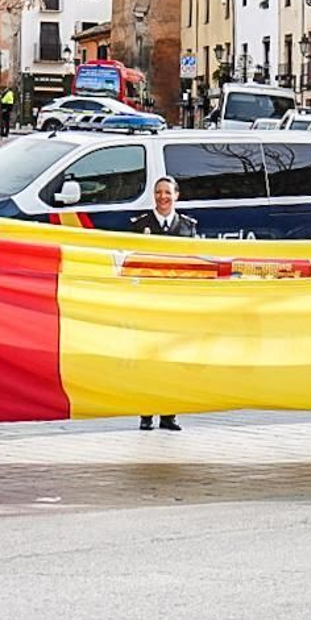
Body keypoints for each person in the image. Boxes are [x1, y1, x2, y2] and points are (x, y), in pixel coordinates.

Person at [127, 177, 198, 432]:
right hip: (149, 303)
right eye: (158, 192)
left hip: (175, 305)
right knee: (148, 359)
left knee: (172, 359)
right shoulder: (140, 226)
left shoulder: (188, 227)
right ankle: (146, 414)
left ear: (177, 195)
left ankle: (169, 414)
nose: (162, 197)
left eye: (167, 192)